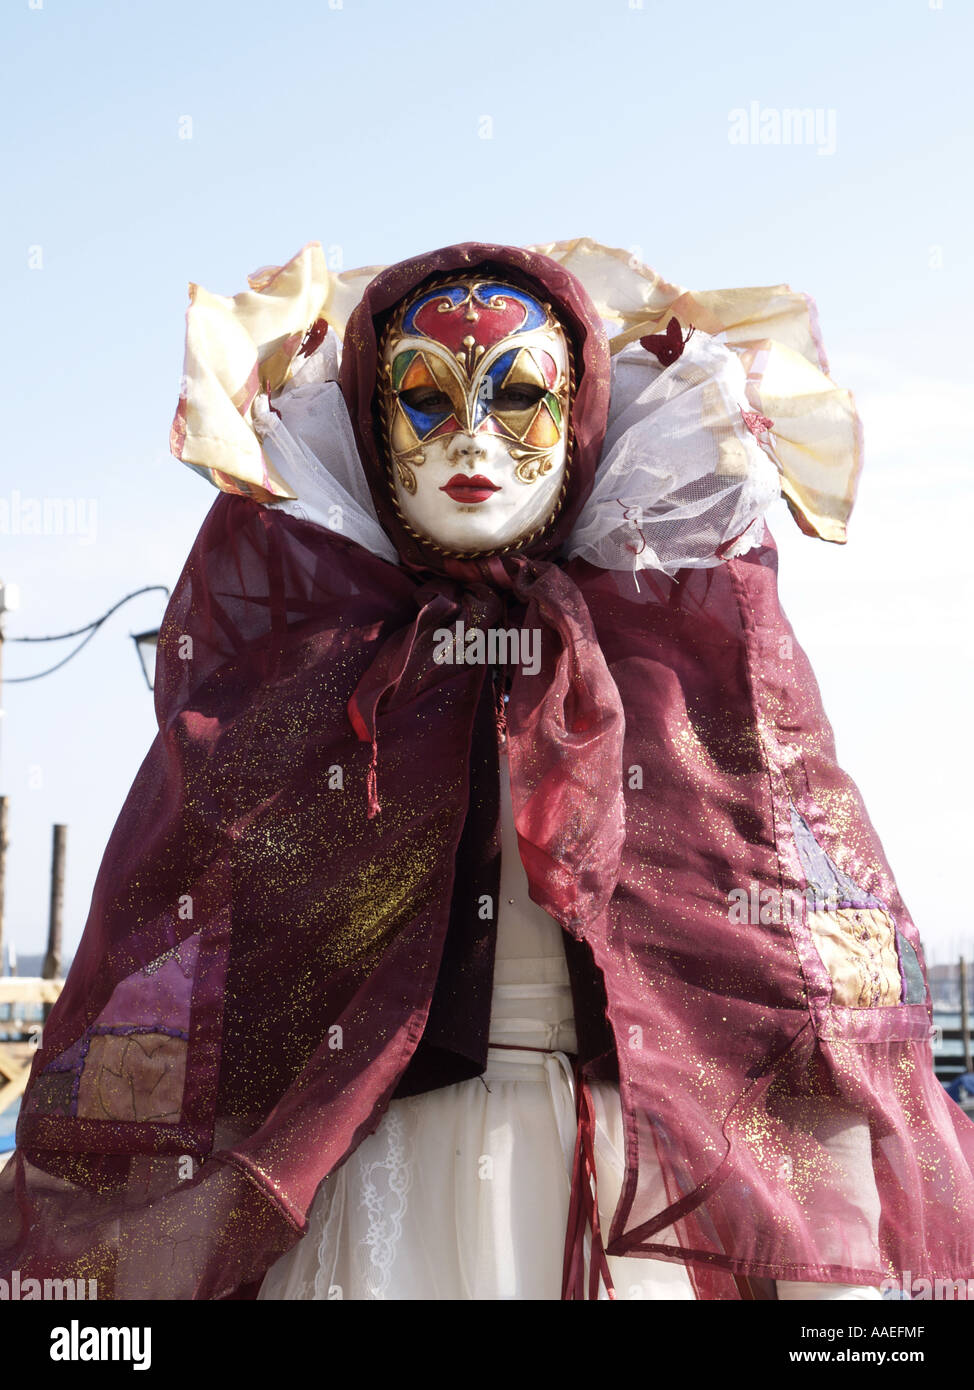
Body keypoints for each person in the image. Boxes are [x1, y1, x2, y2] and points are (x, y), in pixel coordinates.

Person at [2, 239, 971, 1301]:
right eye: (423, 397)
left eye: (516, 396)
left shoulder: (672, 684)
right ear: (370, 420)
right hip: (367, 1187)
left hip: (611, 1193)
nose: (470, 436)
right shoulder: (316, 699)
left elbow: (778, 979)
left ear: (583, 415)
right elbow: (220, 985)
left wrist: (821, 1283)